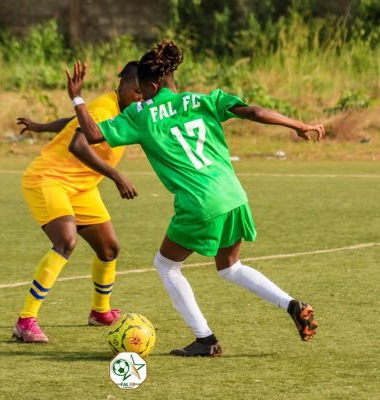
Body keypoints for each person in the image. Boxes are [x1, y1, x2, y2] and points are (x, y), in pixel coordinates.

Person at [66, 41, 324, 356]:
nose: (140, 95)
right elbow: (254, 111)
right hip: (233, 195)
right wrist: (298, 125)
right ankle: (292, 305)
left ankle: (205, 340)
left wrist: (77, 97)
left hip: (200, 203)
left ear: (153, 85)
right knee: (229, 266)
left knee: (165, 265)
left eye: (142, 89)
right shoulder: (203, 99)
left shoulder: (141, 115)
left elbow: (91, 134)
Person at [12, 61, 141, 343]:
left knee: (109, 249)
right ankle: (25, 321)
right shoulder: (104, 107)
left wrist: (41, 126)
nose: (140, 98)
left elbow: (75, 123)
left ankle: (100, 312)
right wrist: (117, 176)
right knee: (65, 241)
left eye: (144, 94)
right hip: (49, 178)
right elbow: (78, 143)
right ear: (122, 85)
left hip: (81, 186)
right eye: (136, 91)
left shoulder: (128, 109)